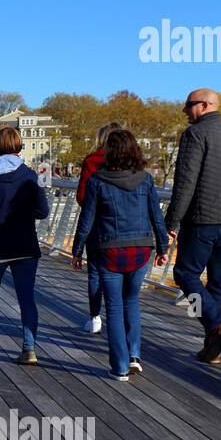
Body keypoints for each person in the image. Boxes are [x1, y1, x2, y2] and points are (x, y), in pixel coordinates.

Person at [71, 130, 169, 381]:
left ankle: (120, 366)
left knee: (113, 307)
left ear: (109, 151)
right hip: (140, 250)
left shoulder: (96, 181)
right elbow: (157, 217)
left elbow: (87, 219)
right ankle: (135, 355)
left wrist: (77, 250)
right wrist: (163, 248)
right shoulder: (146, 180)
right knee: (131, 301)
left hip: (108, 250)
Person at [165, 88, 221, 363]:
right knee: (218, 281)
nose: (184, 112)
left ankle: (216, 324)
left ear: (203, 105)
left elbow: (185, 182)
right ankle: (214, 349)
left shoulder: (195, 134)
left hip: (205, 219)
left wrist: (171, 220)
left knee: (185, 274)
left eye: (188, 106)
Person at [0, 126, 49, 364]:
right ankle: (29, 348)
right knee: (26, 298)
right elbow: (43, 211)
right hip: (24, 245)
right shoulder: (30, 175)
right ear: (19, 147)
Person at [75, 121, 123, 334]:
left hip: (97, 226)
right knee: (123, 271)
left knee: (94, 272)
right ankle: (121, 317)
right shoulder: (130, 161)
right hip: (124, 225)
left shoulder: (92, 160)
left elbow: (82, 196)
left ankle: (95, 317)